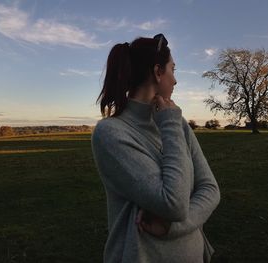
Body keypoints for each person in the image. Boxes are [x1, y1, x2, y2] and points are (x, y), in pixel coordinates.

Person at [91, 33, 220, 263]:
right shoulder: (111, 133)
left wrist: (173, 228)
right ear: (158, 72)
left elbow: (210, 188)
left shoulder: (175, 121)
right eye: (173, 69)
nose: (175, 80)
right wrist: (169, 122)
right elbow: (173, 203)